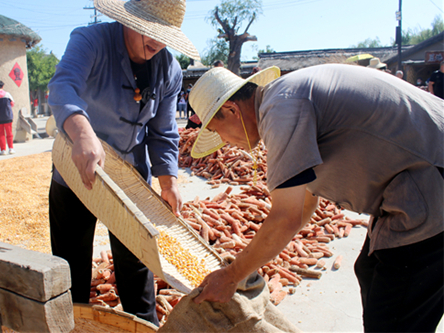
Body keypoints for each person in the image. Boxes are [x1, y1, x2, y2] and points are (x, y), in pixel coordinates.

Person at [188, 64, 443, 333]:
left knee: (394, 312)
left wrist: (231, 276)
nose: (225, 141)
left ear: (231, 110)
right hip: (410, 186)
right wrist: (249, 260)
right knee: (368, 270)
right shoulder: (285, 99)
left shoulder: (281, 111)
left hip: (430, 185)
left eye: (217, 131)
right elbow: (306, 203)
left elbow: (286, 218)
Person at [47, 0, 199, 326]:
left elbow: (163, 132)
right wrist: (82, 132)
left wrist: (169, 180)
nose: (157, 42)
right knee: (71, 268)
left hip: (131, 181)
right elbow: (62, 86)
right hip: (77, 173)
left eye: (166, 36)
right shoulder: (91, 41)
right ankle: (73, 324)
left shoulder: (168, 69)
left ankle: (144, 323)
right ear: (129, 21)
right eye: (149, 29)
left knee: (137, 265)